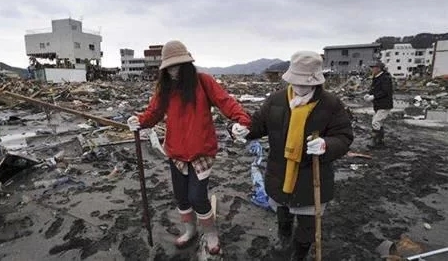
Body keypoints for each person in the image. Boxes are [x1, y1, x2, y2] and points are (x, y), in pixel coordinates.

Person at [126, 40, 251, 254]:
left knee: (197, 197)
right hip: (175, 152)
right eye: (170, 68)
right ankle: (190, 229)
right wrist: (139, 120)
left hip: (201, 151)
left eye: (178, 66)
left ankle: (211, 234)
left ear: (186, 65)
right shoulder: (165, 89)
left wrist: (242, 120)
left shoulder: (203, 82)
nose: (174, 71)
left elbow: (226, 102)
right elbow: (153, 113)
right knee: (181, 196)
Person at [237, 51, 353, 260]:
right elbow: (256, 126)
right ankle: (284, 237)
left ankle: (300, 253)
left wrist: (327, 144)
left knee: (308, 225)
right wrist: (241, 130)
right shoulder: (276, 101)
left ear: (316, 81)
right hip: (279, 174)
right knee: (283, 214)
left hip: (312, 178)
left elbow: (344, 137)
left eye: (305, 84)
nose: (299, 88)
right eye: (296, 82)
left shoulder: (330, 104)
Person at [363, 62, 393, 149]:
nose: (372, 69)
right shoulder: (377, 77)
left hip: (384, 104)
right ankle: (380, 140)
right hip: (379, 104)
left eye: (373, 67)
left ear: (379, 68)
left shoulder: (385, 78)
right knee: (379, 122)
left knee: (375, 122)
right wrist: (368, 94)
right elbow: (374, 89)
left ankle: (374, 140)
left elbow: (385, 91)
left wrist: (373, 96)